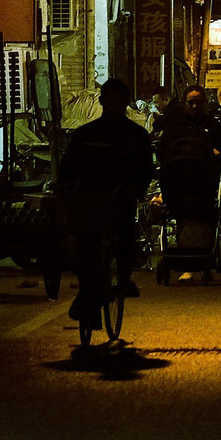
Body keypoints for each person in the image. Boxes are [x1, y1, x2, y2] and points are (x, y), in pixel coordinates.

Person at [57, 78, 154, 327]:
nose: (114, 106)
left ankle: (123, 277)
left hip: (119, 199)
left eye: (119, 101)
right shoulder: (86, 133)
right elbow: (68, 166)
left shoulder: (136, 135)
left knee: (125, 233)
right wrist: (63, 186)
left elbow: (146, 169)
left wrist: (136, 188)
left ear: (125, 103)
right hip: (88, 201)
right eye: (110, 101)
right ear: (102, 102)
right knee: (78, 246)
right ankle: (87, 289)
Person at [151, 84, 221, 227]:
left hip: (204, 181)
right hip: (178, 180)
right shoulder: (175, 126)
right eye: (190, 103)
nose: (194, 106)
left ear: (204, 103)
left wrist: (217, 152)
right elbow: (162, 151)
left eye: (198, 103)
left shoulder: (213, 126)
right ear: (185, 103)